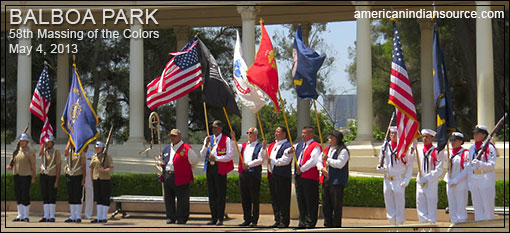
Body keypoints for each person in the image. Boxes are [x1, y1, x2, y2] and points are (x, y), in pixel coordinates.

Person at [160, 129, 199, 224]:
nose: (172, 138)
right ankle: (171, 217)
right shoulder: (166, 148)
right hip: (168, 175)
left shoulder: (186, 148)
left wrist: (185, 169)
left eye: (174, 136)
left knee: (182, 199)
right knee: (168, 198)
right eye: (171, 136)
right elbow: (163, 159)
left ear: (179, 137)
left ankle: (182, 218)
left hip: (181, 176)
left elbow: (194, 161)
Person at [376, 126, 413, 225]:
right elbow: (381, 162)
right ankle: (392, 225)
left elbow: (409, 166)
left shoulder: (404, 148)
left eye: (395, 133)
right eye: (391, 133)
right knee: (389, 205)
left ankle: (400, 226)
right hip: (387, 179)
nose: (393, 135)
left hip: (398, 179)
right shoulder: (384, 147)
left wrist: (406, 179)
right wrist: (380, 168)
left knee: (399, 205)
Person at [200, 120, 234, 226]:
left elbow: (229, 155)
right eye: (213, 128)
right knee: (212, 194)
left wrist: (217, 158)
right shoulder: (208, 138)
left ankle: (220, 217)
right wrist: (206, 145)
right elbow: (202, 154)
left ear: (221, 129)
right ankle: (213, 217)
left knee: (220, 194)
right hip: (210, 168)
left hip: (220, 168)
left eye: (216, 128)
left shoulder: (226, 139)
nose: (214, 130)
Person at [288, 126, 322, 229]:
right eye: (302, 133)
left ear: (311, 134)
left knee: (310, 200)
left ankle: (310, 222)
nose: (302, 135)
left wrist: (302, 168)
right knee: (301, 200)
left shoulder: (315, 146)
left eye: (305, 133)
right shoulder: (300, 145)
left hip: (310, 177)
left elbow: (313, 160)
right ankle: (302, 221)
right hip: (299, 177)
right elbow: (289, 151)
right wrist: (288, 151)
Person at [232, 128, 264, 227]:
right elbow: (235, 146)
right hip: (244, 173)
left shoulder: (260, 146)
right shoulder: (244, 145)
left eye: (251, 133)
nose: (249, 134)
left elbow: (260, 159)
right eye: (248, 133)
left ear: (256, 134)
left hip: (254, 174)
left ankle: (254, 220)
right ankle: (246, 219)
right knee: (244, 197)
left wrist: (249, 164)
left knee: (254, 198)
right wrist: (233, 138)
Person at [318, 131, 349, 227]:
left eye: (332, 137)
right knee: (326, 205)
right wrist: (322, 168)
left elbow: (339, 164)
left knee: (336, 206)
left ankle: (336, 226)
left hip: (337, 181)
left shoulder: (343, 151)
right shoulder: (327, 149)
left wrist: (328, 160)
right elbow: (319, 161)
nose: (329, 139)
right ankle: (327, 224)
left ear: (336, 139)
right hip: (326, 180)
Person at [468, 125, 497, 221]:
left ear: (483, 135)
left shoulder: (490, 147)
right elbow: (469, 165)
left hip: (485, 177)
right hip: (474, 177)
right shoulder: (472, 148)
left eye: (477, 133)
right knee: (477, 206)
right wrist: (470, 180)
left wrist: (480, 164)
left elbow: (492, 165)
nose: (475, 135)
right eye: (474, 133)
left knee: (487, 206)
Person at [415, 129, 444, 224]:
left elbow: (439, 169)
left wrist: (427, 178)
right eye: (423, 136)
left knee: (431, 206)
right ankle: (423, 227)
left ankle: (431, 227)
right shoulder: (419, 150)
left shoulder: (436, 152)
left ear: (432, 138)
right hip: (420, 181)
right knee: (420, 205)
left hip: (431, 182)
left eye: (427, 137)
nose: (424, 139)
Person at [265, 126, 292, 228]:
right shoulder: (273, 145)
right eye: (275, 131)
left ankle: (284, 220)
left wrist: (273, 162)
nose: (276, 133)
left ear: (284, 134)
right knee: (275, 199)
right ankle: (277, 219)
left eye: (278, 132)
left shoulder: (288, 145)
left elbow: (286, 160)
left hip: (282, 176)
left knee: (283, 199)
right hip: (273, 175)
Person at [7, 133, 36, 222]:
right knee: (18, 194)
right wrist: (10, 166)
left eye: (24, 141)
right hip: (17, 175)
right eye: (21, 141)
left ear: (27, 142)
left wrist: (33, 177)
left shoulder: (30, 151)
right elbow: (12, 162)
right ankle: (20, 215)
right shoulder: (16, 151)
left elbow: (33, 166)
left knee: (25, 195)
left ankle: (26, 215)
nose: (22, 142)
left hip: (26, 175)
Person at [443, 132, 469, 223]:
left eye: (455, 140)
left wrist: (456, 180)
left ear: (461, 141)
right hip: (450, 183)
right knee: (452, 206)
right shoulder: (449, 153)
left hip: (460, 183)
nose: (452, 142)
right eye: (451, 140)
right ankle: (454, 225)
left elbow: (466, 170)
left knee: (461, 207)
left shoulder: (465, 153)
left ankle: (461, 226)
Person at [38, 135, 62, 222]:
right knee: (45, 195)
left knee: (52, 195)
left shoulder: (56, 152)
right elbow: (40, 154)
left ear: (52, 143)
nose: (47, 144)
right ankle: (46, 215)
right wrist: (43, 145)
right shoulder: (44, 151)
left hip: (52, 175)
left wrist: (57, 180)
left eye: (49, 142)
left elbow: (59, 166)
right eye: (46, 142)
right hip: (44, 174)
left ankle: (51, 216)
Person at [89, 141, 114, 223]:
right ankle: (99, 217)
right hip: (96, 179)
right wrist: (92, 179)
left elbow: (111, 168)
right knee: (98, 198)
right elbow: (92, 169)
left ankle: (104, 216)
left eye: (99, 147)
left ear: (102, 148)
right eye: (96, 147)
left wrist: (104, 170)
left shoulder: (107, 157)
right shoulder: (94, 157)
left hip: (105, 179)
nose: (97, 149)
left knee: (105, 198)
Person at [63, 139, 87, 223]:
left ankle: (78, 216)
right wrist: (69, 140)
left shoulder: (81, 153)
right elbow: (65, 151)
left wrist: (84, 178)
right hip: (70, 175)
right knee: (71, 196)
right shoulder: (69, 152)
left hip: (78, 175)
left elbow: (84, 166)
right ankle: (72, 216)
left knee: (78, 196)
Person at [83, 146, 95, 220]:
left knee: (89, 196)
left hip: (89, 176)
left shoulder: (92, 154)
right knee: (78, 196)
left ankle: (88, 214)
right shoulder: (77, 154)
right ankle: (76, 214)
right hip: (79, 176)